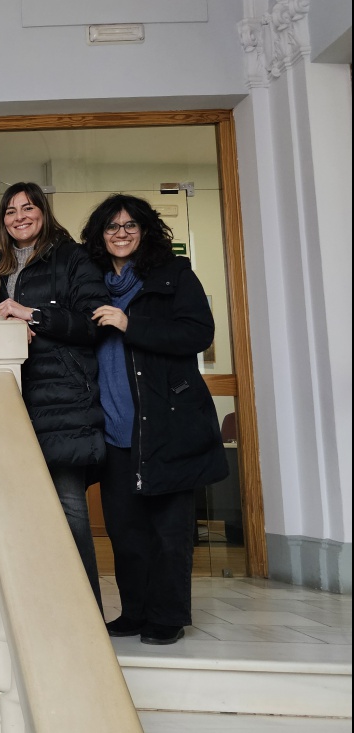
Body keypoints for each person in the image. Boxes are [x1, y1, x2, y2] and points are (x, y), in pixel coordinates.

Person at [82, 194, 227, 646]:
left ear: (145, 231)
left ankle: (167, 616)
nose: (120, 233)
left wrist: (130, 325)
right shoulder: (91, 283)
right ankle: (135, 611)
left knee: (169, 530)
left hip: (166, 424)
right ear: (99, 234)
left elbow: (199, 333)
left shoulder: (174, 275)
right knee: (125, 530)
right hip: (114, 428)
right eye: (111, 226)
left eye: (130, 225)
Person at [0, 182, 107, 608]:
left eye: (28, 207)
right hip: (9, 396)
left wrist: (32, 314)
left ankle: (84, 610)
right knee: (18, 510)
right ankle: (39, 608)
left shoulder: (72, 258)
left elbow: (93, 323)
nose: (19, 216)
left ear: (43, 212)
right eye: (10, 211)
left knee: (69, 504)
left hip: (62, 396)